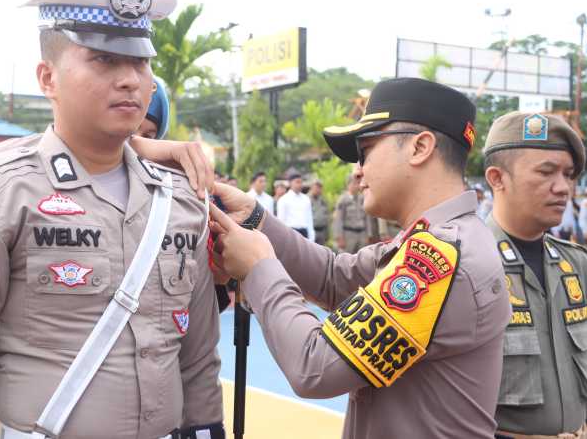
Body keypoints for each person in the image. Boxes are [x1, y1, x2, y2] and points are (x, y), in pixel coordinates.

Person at [0, 0, 224, 439]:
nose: (131, 80)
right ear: (47, 78)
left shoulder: (179, 200)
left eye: (140, 62)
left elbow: (197, 358)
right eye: (103, 60)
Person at [208, 77, 510, 438]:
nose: (357, 171)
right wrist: (256, 219)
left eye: (365, 151)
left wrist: (259, 268)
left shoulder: (439, 259)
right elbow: (335, 278)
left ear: (419, 148)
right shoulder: (437, 239)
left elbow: (314, 365)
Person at [481, 112, 587, 439]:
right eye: (546, 172)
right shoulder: (466, 266)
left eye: (569, 175)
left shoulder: (578, 265)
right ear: (497, 178)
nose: (563, 187)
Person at [333, 168, 369, 252]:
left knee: (362, 260)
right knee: (346, 261)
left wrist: (368, 234)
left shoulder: (362, 198)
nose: (358, 186)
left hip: (361, 234)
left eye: (358, 183)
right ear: (349, 184)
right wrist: (339, 237)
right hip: (348, 235)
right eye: (355, 183)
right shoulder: (343, 200)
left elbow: (367, 218)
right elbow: (338, 220)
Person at [276, 173, 315, 241]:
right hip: (291, 232)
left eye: (301, 182)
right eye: (297, 182)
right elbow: (281, 221)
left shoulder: (306, 199)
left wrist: (312, 236)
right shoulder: (283, 200)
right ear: (290, 183)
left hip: (304, 232)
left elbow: (309, 219)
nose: (300, 184)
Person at [309, 180, 330, 245]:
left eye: (320, 187)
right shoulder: (306, 199)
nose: (318, 189)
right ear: (311, 187)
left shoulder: (323, 200)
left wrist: (327, 234)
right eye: (316, 187)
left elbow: (327, 217)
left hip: (322, 232)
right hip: (311, 231)